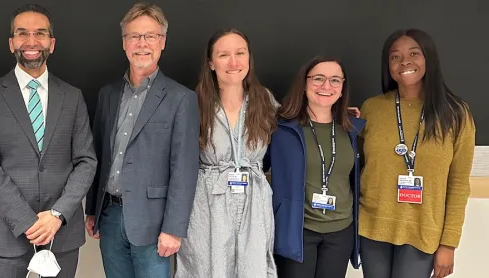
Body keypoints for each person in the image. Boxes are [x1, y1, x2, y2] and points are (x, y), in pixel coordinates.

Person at [0, 4, 97, 278]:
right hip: (10, 235)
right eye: (22, 33)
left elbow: (86, 161)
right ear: (11, 43)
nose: (31, 41)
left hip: (60, 235)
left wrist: (57, 214)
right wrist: (26, 221)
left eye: (40, 33)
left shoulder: (72, 97)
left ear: (51, 43)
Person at [85, 3, 200, 278]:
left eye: (150, 36)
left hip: (154, 223)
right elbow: (98, 154)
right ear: (125, 43)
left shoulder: (181, 99)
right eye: (134, 36)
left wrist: (174, 228)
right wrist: (92, 210)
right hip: (110, 216)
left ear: (162, 42)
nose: (142, 44)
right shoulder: (108, 95)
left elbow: (184, 170)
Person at [358, 28, 475, 278]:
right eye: (395, 57)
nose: (405, 62)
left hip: (423, 231)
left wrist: (448, 244)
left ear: (428, 59)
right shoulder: (372, 109)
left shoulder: (456, 114)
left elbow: (458, 184)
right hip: (372, 226)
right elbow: (356, 165)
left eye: (414, 53)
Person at [175, 28, 277, 278]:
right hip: (207, 200)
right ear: (211, 62)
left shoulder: (265, 100)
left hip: (254, 199)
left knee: (253, 269)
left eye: (240, 53)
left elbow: (297, 124)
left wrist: (337, 114)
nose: (233, 62)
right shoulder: (193, 102)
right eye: (223, 55)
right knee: (206, 268)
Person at [266, 56, 364, 278]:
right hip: (297, 230)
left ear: (342, 88)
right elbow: (258, 165)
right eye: (318, 78)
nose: (326, 86)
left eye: (335, 80)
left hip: (340, 231)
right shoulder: (281, 128)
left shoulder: (352, 129)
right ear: (304, 84)